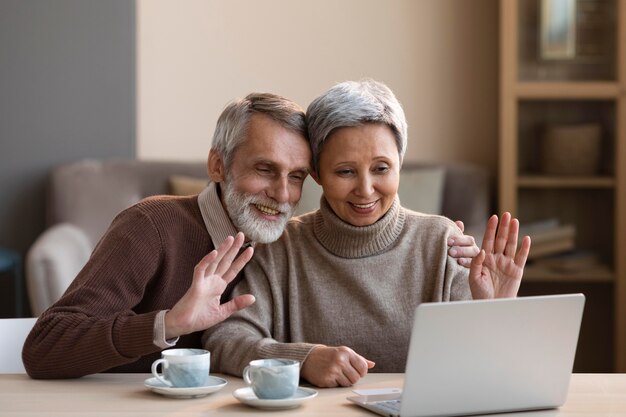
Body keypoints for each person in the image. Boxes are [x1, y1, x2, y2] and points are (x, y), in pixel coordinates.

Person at [22, 90, 476, 379]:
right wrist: (170, 323)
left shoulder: (274, 242)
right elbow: (45, 347)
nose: (282, 194)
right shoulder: (151, 227)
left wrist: (481, 290)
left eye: (296, 176)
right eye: (265, 169)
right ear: (217, 165)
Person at [203, 79, 532, 388]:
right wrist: (303, 360)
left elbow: (483, 375)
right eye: (345, 171)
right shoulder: (282, 247)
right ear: (316, 173)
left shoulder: (443, 243)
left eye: (381, 168)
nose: (365, 189)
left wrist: (497, 310)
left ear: (400, 164)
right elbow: (226, 339)